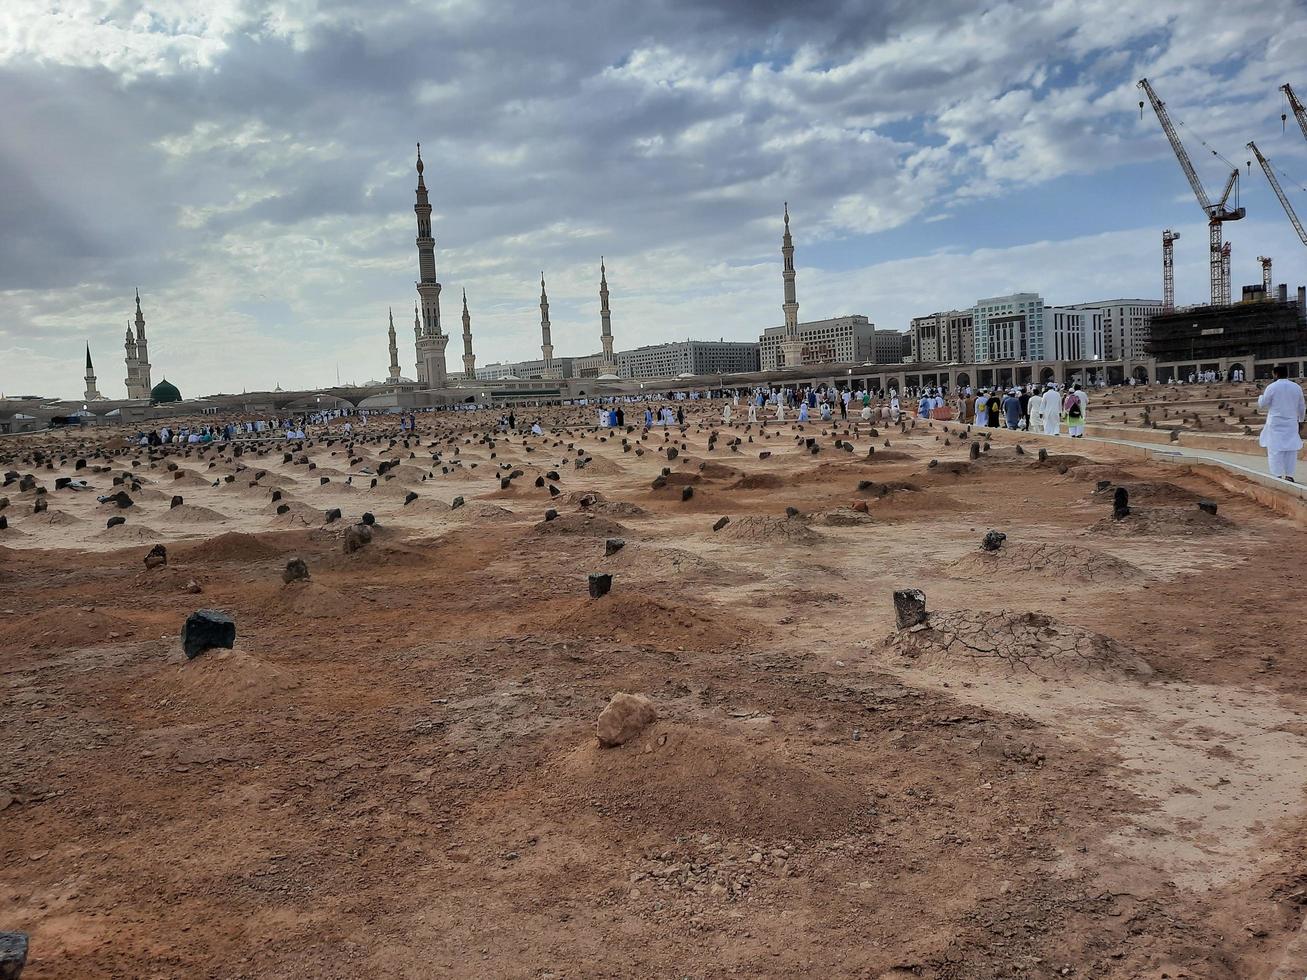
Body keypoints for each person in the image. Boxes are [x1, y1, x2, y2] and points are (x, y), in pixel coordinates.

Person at [1257, 365, 1306, 482]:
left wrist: (1260, 396)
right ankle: (1289, 475)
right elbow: (1301, 406)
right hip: (1291, 422)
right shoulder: (1296, 387)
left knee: (1274, 449)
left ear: (1275, 374)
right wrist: (1301, 420)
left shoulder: (1272, 387)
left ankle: (1277, 476)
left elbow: (1262, 404)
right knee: (1291, 449)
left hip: (1276, 422)